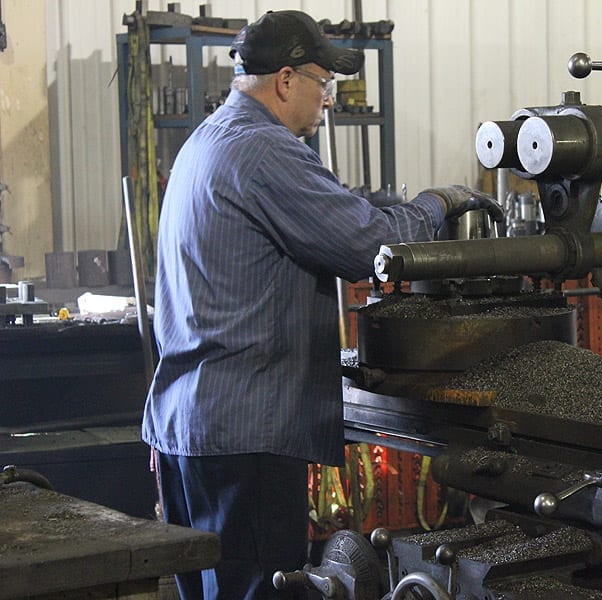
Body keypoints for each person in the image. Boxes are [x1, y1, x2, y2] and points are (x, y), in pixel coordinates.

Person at [141, 10, 500, 600]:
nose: (328, 101)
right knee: (257, 590)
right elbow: (369, 248)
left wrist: (383, 203)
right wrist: (439, 203)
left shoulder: (209, 140)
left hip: (190, 426)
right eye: (322, 84)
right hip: (244, 436)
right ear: (285, 80)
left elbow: (332, 208)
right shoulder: (265, 150)